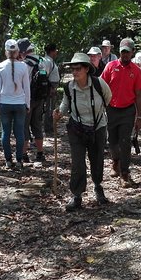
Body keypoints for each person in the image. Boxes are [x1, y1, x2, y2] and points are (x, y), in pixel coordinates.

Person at [53, 53, 113, 211]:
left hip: (98, 127)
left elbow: (108, 98)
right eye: (72, 69)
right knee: (78, 163)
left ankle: (98, 187)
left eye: (78, 68)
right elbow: (65, 105)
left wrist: (97, 116)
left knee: (97, 159)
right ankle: (77, 195)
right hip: (77, 129)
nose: (74, 72)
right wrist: (59, 113)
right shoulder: (69, 87)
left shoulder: (99, 83)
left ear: (87, 69)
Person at [101, 38, 141, 187]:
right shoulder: (110, 66)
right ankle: (116, 162)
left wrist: (139, 116)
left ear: (132, 52)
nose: (125, 55)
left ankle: (125, 174)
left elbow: (138, 94)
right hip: (111, 109)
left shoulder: (136, 71)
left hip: (128, 111)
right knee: (112, 141)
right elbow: (102, 86)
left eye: (127, 52)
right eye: (122, 52)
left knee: (125, 142)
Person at [0, 39, 31, 170]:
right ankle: (19, 160)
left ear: (6, 52)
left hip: (5, 103)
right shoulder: (23, 66)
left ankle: (8, 160)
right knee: (19, 132)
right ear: (17, 52)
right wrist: (28, 104)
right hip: (20, 103)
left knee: (5, 132)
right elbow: (27, 88)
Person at [18, 38, 48, 162]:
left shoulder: (24, 64)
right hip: (40, 98)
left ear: (23, 51)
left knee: (24, 126)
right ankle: (40, 153)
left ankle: (24, 155)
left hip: (27, 99)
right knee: (37, 125)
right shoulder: (43, 61)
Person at [43, 43, 60, 135]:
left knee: (51, 107)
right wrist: (51, 88)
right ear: (52, 51)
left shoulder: (50, 61)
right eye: (56, 50)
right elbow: (45, 76)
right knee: (49, 108)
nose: (57, 52)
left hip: (53, 87)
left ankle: (50, 128)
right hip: (50, 87)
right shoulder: (47, 61)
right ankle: (48, 129)